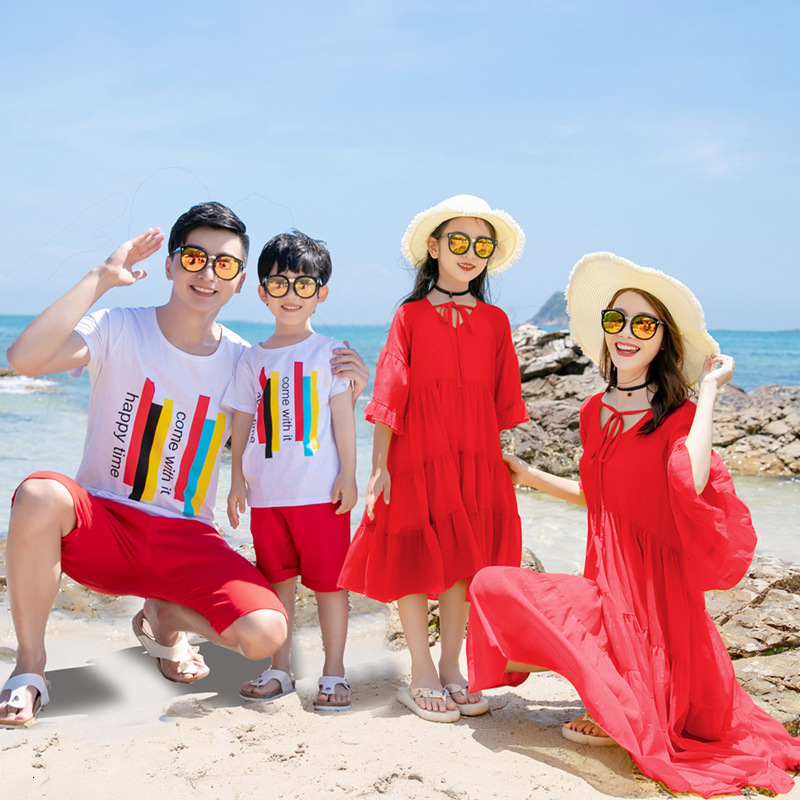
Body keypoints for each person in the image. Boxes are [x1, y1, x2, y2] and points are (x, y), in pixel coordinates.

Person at [0, 202, 368, 728]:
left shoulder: (244, 359)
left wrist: (348, 393)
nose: (206, 273)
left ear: (241, 283)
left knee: (267, 631)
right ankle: (31, 670)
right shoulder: (117, 327)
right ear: (171, 265)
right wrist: (102, 279)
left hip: (187, 539)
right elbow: (25, 360)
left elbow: (292, 434)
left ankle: (165, 617)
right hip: (105, 525)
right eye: (194, 257)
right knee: (39, 493)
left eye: (224, 265)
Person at [466, 252, 800, 796]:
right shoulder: (593, 412)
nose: (627, 333)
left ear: (662, 339)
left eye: (644, 324)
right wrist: (529, 476)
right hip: (606, 573)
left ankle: (615, 709)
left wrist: (708, 392)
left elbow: (691, 484)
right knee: (491, 583)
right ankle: (608, 698)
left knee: (644, 700)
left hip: (656, 589)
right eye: (616, 320)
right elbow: (601, 502)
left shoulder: (677, 415)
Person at [338, 194, 529, 722]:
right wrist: (378, 468)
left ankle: (452, 668)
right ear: (434, 247)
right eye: (459, 242)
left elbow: (499, 399)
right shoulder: (410, 317)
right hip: (417, 453)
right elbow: (390, 393)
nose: (470, 254)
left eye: (481, 245)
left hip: (474, 456)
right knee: (419, 557)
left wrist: (499, 461)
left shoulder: (496, 321)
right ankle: (419, 672)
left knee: (465, 566)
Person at [225, 230, 356, 711]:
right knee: (276, 583)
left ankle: (335, 673)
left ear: (321, 293)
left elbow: (343, 418)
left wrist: (349, 475)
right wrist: (237, 480)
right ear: (262, 292)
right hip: (267, 496)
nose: (291, 295)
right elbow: (241, 421)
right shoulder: (251, 359)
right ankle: (280, 669)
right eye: (279, 284)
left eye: (305, 285)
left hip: (320, 494)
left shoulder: (330, 352)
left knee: (330, 586)